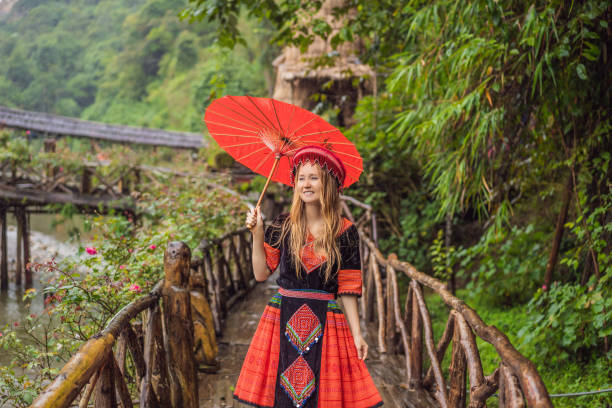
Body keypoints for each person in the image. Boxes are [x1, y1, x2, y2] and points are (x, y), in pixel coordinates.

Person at [233, 145, 383, 408]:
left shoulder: (345, 231)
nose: (306, 184)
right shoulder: (283, 225)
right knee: (283, 394)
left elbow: (348, 288)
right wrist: (257, 234)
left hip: (327, 318)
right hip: (283, 316)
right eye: (301, 178)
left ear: (329, 183)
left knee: (322, 397)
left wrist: (358, 334)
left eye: (314, 177)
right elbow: (260, 274)